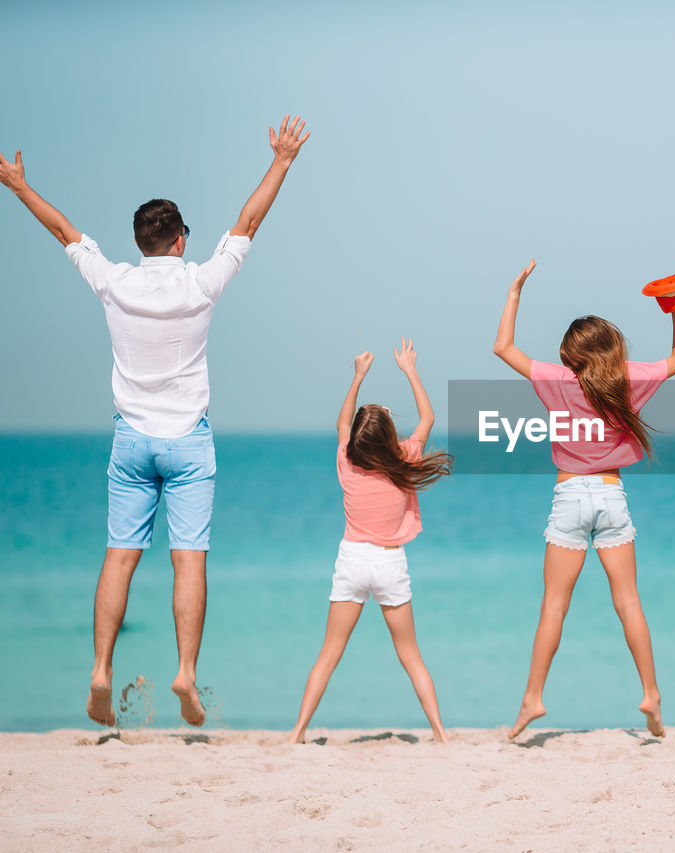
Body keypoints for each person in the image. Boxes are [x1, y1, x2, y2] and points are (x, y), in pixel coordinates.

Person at [0, 116, 311, 727]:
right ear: (177, 241)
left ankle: (99, 670)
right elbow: (248, 222)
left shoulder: (115, 283)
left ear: (143, 241)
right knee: (188, 560)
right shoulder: (199, 286)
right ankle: (186, 675)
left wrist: (17, 186)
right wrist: (282, 160)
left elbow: (64, 230)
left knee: (119, 556)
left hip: (131, 440)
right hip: (188, 441)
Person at [493, 259, 675, 739]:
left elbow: (502, 347)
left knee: (554, 606)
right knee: (628, 602)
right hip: (610, 495)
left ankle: (532, 698)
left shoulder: (559, 381)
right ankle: (651, 693)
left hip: (568, 498)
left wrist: (515, 291)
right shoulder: (630, 378)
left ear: (571, 355)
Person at [288, 339, 452, 745]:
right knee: (411, 656)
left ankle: (297, 733)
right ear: (388, 436)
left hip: (352, 561)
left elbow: (342, 425)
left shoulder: (347, 462)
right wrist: (411, 370)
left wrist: (357, 375)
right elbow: (429, 416)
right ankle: (440, 734)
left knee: (329, 654)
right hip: (390, 565)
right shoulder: (405, 459)